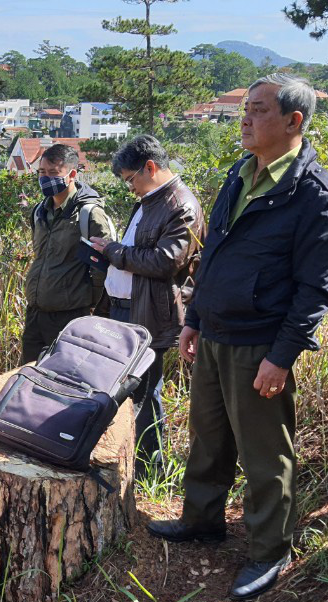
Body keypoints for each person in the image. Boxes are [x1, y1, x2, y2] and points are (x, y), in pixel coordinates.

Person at [147, 74, 328, 601]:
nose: (246, 119)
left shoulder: (315, 196)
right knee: (208, 437)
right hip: (215, 331)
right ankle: (202, 520)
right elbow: (212, 254)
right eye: (246, 109)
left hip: (260, 342)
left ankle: (269, 550)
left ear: (293, 121)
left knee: (264, 452)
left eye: (258, 110)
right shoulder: (241, 174)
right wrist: (195, 319)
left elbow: (313, 291)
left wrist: (281, 357)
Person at [89, 135, 205, 477]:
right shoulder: (150, 200)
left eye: (130, 180)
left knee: (143, 392)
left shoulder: (180, 204)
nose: (130, 189)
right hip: (126, 308)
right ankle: (128, 464)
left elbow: (165, 262)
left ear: (150, 168)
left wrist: (114, 252)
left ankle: (149, 471)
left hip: (150, 313)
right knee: (124, 390)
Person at [21, 143, 118, 364]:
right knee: (27, 377)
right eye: (42, 173)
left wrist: (90, 306)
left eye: (54, 173)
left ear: (72, 174)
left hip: (70, 316)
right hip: (35, 312)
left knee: (62, 378)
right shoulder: (39, 212)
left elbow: (104, 268)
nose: (46, 178)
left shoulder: (89, 214)